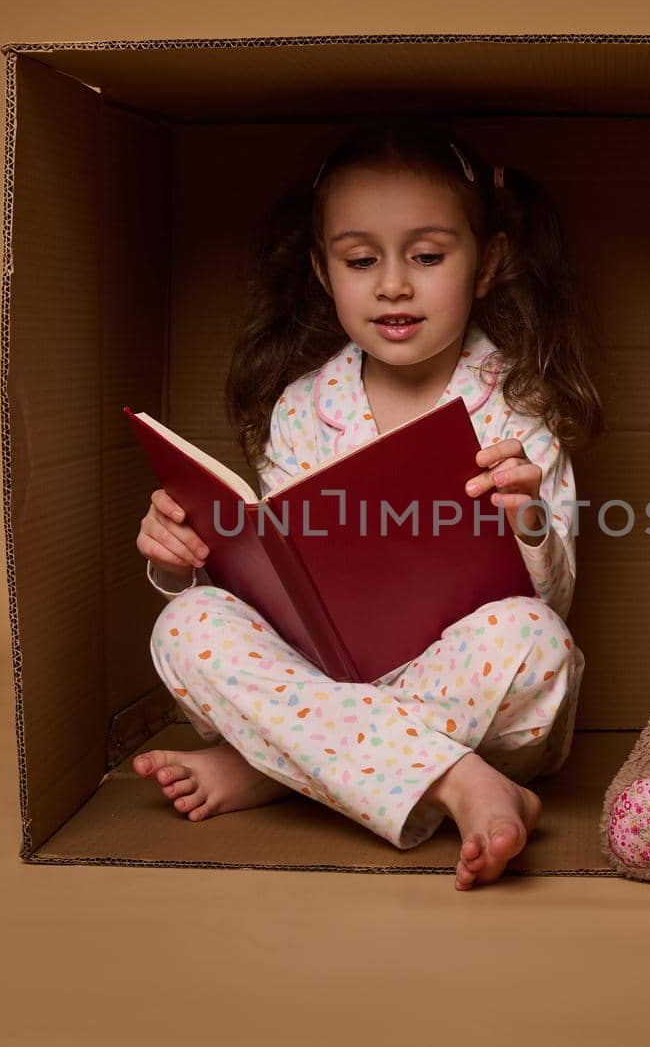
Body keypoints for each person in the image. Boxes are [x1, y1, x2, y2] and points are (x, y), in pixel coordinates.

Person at [132, 118, 604, 890]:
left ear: (487, 265)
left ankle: (282, 767)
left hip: (469, 691)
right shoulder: (300, 407)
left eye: (426, 256)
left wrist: (529, 522)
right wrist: (183, 556)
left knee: (536, 642)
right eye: (361, 259)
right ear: (323, 271)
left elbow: (549, 601)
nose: (393, 284)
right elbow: (270, 581)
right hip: (318, 667)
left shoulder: (519, 408)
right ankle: (456, 781)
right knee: (184, 625)